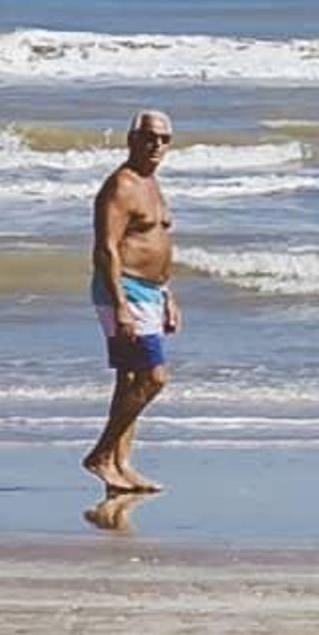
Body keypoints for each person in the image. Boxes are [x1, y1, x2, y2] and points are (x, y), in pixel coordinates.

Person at [83, 109, 181, 494]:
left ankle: (121, 465)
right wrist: (121, 304)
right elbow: (105, 248)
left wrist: (167, 294)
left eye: (164, 139)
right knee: (153, 378)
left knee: (130, 381)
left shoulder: (151, 182)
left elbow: (153, 242)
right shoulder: (121, 186)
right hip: (126, 289)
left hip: (150, 292)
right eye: (149, 137)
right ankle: (101, 454)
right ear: (131, 139)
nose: (156, 145)